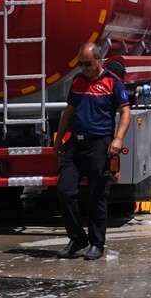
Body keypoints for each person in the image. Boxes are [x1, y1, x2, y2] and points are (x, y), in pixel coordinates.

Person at [55, 43, 132, 261]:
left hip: (100, 144)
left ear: (99, 59)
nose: (84, 68)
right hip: (75, 144)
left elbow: (125, 112)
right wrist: (59, 139)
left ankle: (97, 243)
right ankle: (77, 238)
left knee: (97, 195)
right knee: (65, 190)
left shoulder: (113, 83)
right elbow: (69, 112)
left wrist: (118, 138)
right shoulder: (77, 81)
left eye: (87, 63)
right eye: (80, 64)